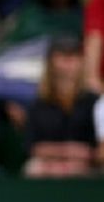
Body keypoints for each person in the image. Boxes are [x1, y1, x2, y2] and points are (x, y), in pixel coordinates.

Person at [23, 36, 98, 177]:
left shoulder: (94, 102)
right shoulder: (39, 103)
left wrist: (79, 158)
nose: (68, 63)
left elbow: (98, 148)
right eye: (62, 56)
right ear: (50, 62)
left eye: (73, 56)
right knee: (34, 168)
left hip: (86, 164)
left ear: (82, 61)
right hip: (48, 163)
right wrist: (67, 152)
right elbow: (32, 147)